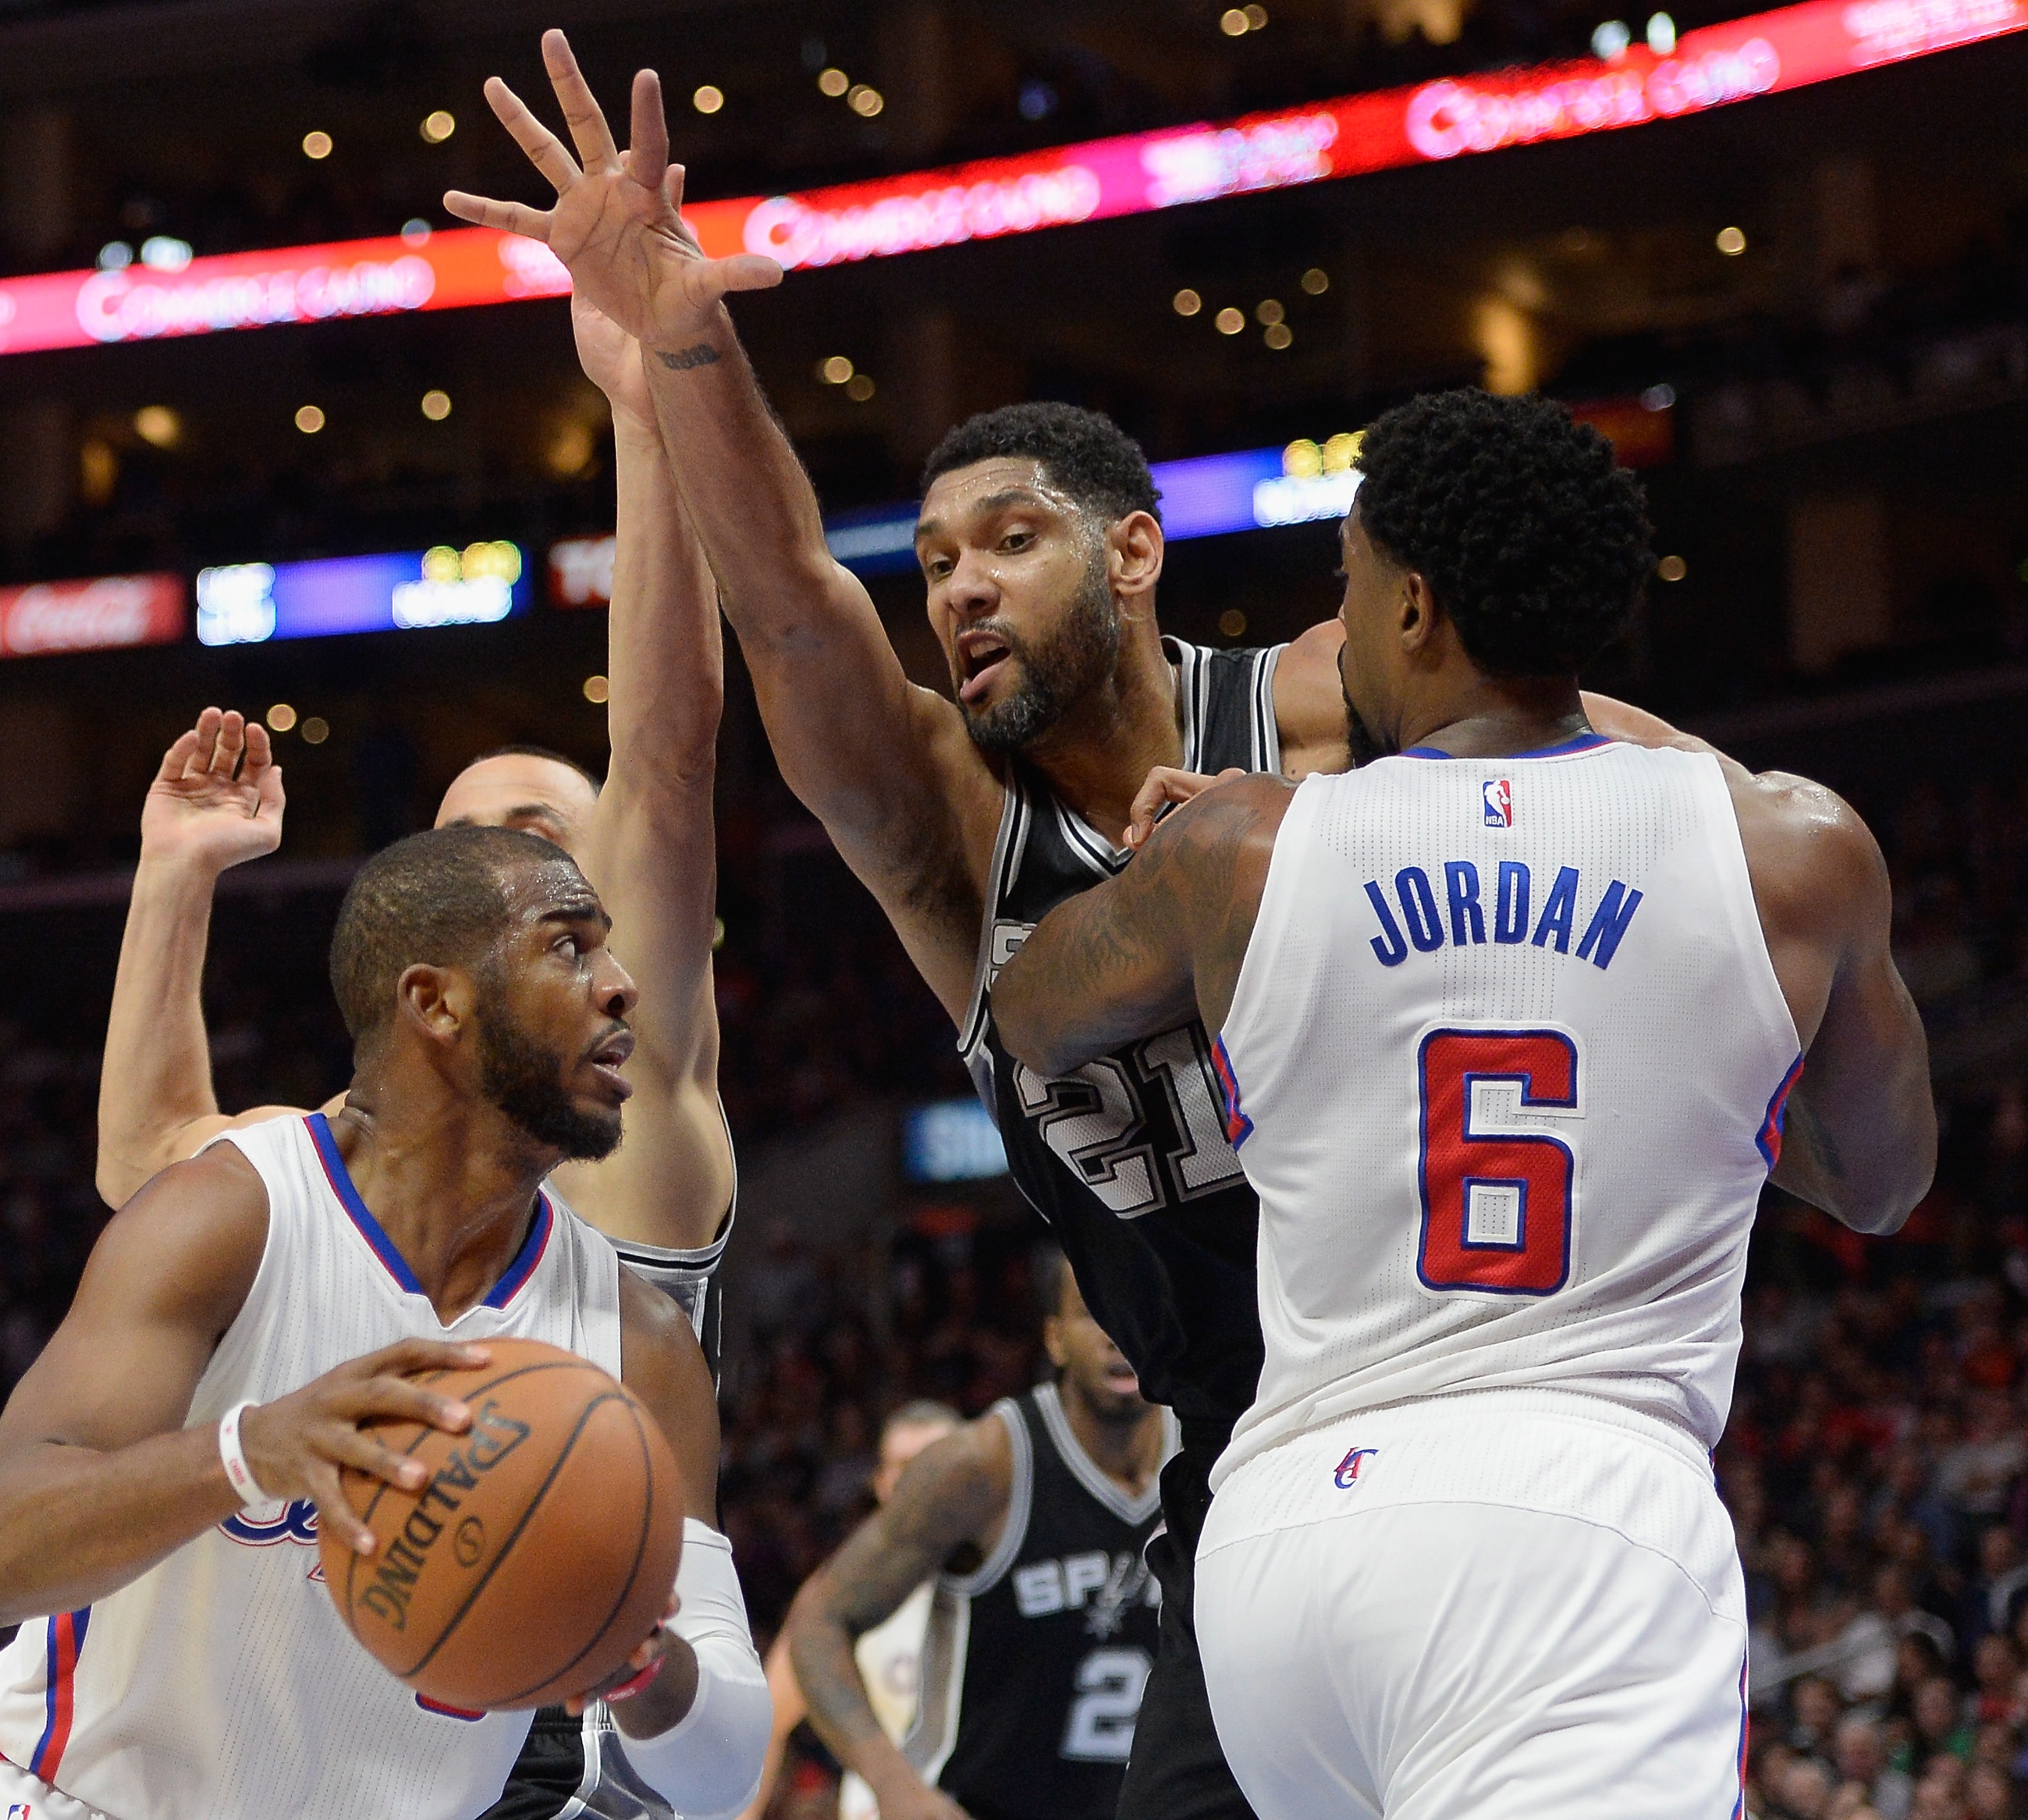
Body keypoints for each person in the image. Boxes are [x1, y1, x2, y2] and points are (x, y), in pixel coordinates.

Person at [440, 34, 1706, 1820]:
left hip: (1479, 1418)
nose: (955, 584)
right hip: (1245, 1486)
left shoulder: (1334, 706)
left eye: (1008, 539)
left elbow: (1690, 812)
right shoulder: (953, 840)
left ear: (1130, 553)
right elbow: (794, 618)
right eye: (937, 555)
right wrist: (684, 342)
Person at [989, 388, 1938, 1817]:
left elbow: (1030, 1014)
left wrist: (1174, 873)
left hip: (1285, 1545)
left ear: (1418, 606)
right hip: (1571, 1525)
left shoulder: (1246, 848)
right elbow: (1878, 1178)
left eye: (1350, 586)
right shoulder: (1790, 850)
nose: (1337, 626)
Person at [0, 823, 771, 1820]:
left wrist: (632, 1654)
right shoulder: (234, 1214)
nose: (620, 983)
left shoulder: (637, 1344)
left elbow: (722, 1772)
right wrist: (251, 1454)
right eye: (569, 944)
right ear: (435, 1002)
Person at [94, 279, 733, 1345]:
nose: (494, 859)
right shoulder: (346, 1158)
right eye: (462, 842)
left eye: (536, 833)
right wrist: (176, 870)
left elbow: (665, 759)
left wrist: (641, 410)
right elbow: (146, 1155)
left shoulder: (632, 1101)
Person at [782, 1254, 1169, 1820]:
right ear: (1055, 1339)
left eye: (1139, 1307)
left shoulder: (1215, 1457)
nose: (1120, 1332)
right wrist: (896, 1788)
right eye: (1093, 1313)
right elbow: (819, 1621)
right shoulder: (984, 1467)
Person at [738, 1401, 963, 1820]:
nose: (915, 1479)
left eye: (931, 1463)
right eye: (900, 1466)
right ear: (880, 1483)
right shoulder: (840, 1594)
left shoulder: (1017, 1580)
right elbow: (766, 1722)